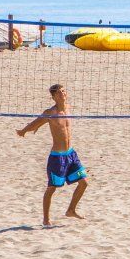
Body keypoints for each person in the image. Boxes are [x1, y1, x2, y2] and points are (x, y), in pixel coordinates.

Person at [16, 83, 89, 226]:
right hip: (57, 157)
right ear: (54, 97)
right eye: (59, 92)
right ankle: (46, 220)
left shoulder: (68, 108)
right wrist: (24, 131)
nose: (63, 93)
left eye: (64, 91)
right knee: (51, 188)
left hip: (71, 154)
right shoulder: (50, 113)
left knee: (84, 183)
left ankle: (71, 210)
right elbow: (36, 122)